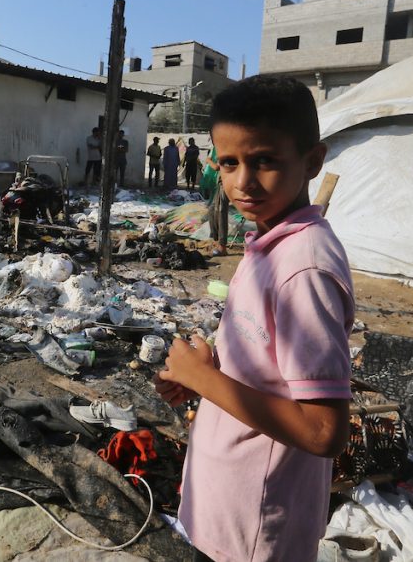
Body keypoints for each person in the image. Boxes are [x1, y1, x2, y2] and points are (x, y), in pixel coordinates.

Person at [154, 75, 353, 562]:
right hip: (228, 501)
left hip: (256, 526)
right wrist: (208, 374)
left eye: (264, 160)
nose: (242, 182)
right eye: (229, 162)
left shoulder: (303, 267)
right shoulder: (269, 242)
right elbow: (267, 366)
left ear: (312, 161)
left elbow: (323, 431)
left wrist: (202, 378)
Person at [205, 146, 230, 256]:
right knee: (212, 210)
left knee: (221, 212)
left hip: (226, 183)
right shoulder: (218, 148)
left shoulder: (229, 149)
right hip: (221, 183)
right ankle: (217, 240)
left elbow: (216, 167)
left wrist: (209, 160)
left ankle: (222, 246)